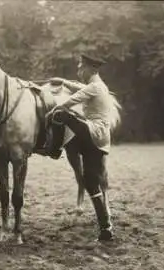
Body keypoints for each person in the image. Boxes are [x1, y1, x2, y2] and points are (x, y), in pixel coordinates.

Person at [43, 53, 117, 242]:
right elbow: (79, 87)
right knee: (91, 182)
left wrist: (53, 111)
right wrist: (63, 81)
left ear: (91, 69)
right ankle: (105, 228)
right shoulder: (98, 86)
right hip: (99, 140)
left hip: (94, 132)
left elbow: (73, 99)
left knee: (62, 114)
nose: (78, 71)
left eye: (81, 68)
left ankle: (53, 149)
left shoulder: (95, 87)